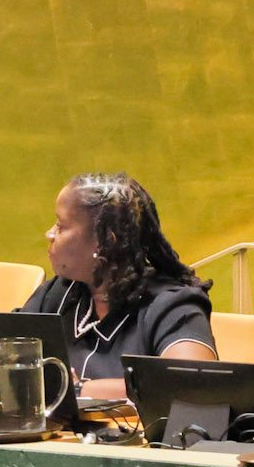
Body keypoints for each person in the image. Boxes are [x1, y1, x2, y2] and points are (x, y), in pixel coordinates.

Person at [21, 173, 216, 404]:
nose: (50, 234)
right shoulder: (59, 294)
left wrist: (77, 390)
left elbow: (192, 383)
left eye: (61, 226)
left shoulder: (171, 306)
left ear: (106, 242)